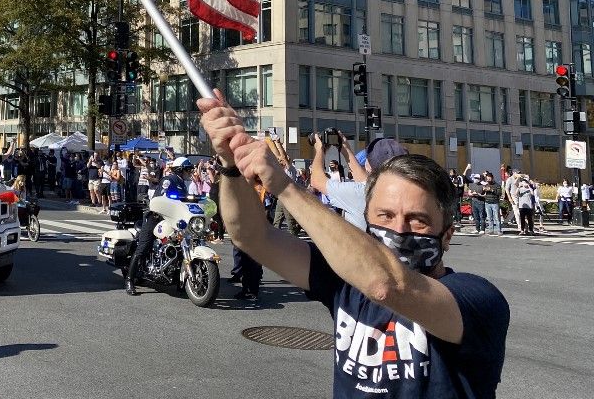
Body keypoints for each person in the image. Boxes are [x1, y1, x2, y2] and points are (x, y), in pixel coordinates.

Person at [199, 90, 509, 398]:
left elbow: (387, 285)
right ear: (367, 217)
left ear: (447, 234)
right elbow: (252, 237)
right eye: (384, 216)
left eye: (418, 220)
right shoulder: (344, 282)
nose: (398, 229)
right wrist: (231, 164)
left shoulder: (476, 300)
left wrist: (284, 185)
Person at [125, 156, 193, 296]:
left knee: (183, 246)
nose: (190, 172)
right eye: (188, 169)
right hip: (156, 217)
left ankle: (182, 281)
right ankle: (130, 280)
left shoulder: (182, 183)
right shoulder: (169, 180)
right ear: (180, 170)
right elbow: (160, 199)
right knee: (143, 247)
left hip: (174, 220)